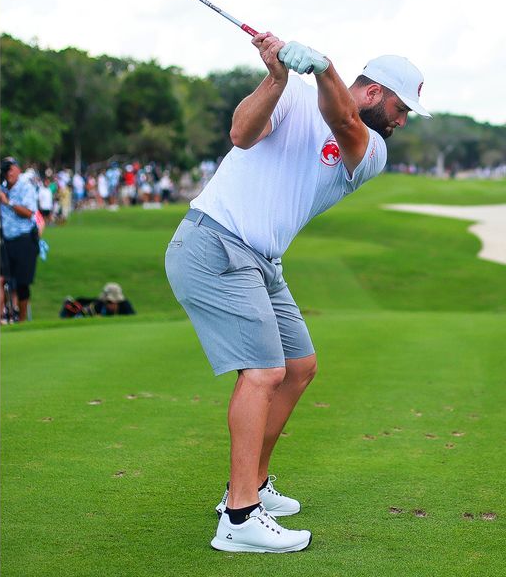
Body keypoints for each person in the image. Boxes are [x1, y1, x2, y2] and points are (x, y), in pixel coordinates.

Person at [164, 32, 427, 553]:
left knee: (299, 365)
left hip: (262, 261)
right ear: (375, 91)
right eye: (400, 108)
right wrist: (277, 75)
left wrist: (324, 67)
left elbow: (345, 123)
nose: (401, 121)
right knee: (264, 372)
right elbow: (241, 133)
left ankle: (253, 484)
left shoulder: (370, 150)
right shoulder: (294, 96)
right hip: (215, 241)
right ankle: (240, 516)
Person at [0, 156, 39, 323]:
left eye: (11, 168)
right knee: (1, 279)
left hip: (24, 240)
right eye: (5, 169)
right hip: (5, 241)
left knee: (22, 283)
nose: (8, 172)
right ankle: (1, 318)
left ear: (18, 169)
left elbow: (29, 212)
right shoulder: (0, 188)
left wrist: (8, 202)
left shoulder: (25, 187)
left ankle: (22, 321)